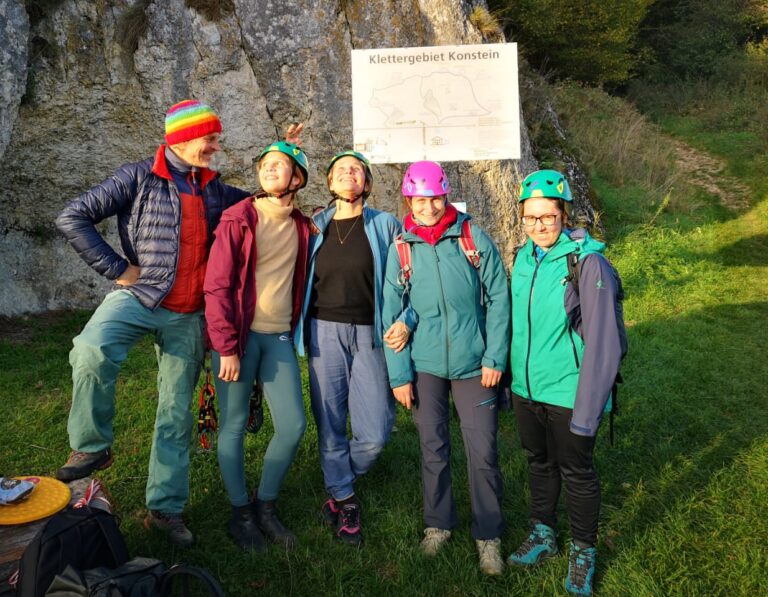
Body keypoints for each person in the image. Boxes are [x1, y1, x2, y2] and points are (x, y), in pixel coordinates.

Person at [53, 100, 291, 547]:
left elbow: (261, 204)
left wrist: (285, 167)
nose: (216, 147)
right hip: (139, 296)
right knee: (90, 349)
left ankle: (165, 509)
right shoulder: (137, 175)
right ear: (183, 137)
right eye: (211, 138)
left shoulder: (216, 189)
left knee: (175, 414)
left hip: (189, 314)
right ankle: (91, 444)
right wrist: (117, 268)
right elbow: (73, 216)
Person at [382, 161, 510, 576]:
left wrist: (494, 357)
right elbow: (391, 312)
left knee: (483, 452)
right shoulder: (402, 247)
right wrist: (400, 374)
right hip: (425, 365)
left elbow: (498, 298)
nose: (430, 207)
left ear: (446, 195)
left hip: (475, 364)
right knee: (432, 449)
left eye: (436, 198)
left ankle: (488, 535)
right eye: (421, 200)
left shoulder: (472, 237)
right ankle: (438, 524)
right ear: (409, 201)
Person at [507, 170, 625, 596]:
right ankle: (542, 533)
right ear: (521, 218)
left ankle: (583, 551)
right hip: (526, 389)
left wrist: (590, 409)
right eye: (531, 218)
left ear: (564, 215)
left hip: (569, 391)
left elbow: (605, 344)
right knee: (538, 463)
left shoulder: (586, 262)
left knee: (576, 471)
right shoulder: (523, 258)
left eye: (548, 217)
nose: (540, 226)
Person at [296, 150, 409, 547]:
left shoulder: (385, 224)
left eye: (356, 170)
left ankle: (338, 475)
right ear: (329, 183)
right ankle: (343, 498)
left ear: (366, 184)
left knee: (376, 431)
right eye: (341, 170)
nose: (348, 174)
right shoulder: (315, 226)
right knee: (329, 420)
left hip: (369, 334)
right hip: (322, 331)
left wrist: (407, 320)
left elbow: (408, 281)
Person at [203, 141, 310, 551]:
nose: (269, 170)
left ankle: (265, 506)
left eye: (280, 165)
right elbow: (217, 286)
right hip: (239, 339)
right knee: (231, 427)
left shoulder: (301, 224)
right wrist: (226, 346)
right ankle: (240, 514)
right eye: (265, 164)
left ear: (296, 179)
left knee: (293, 425)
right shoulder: (239, 218)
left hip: (278, 336)